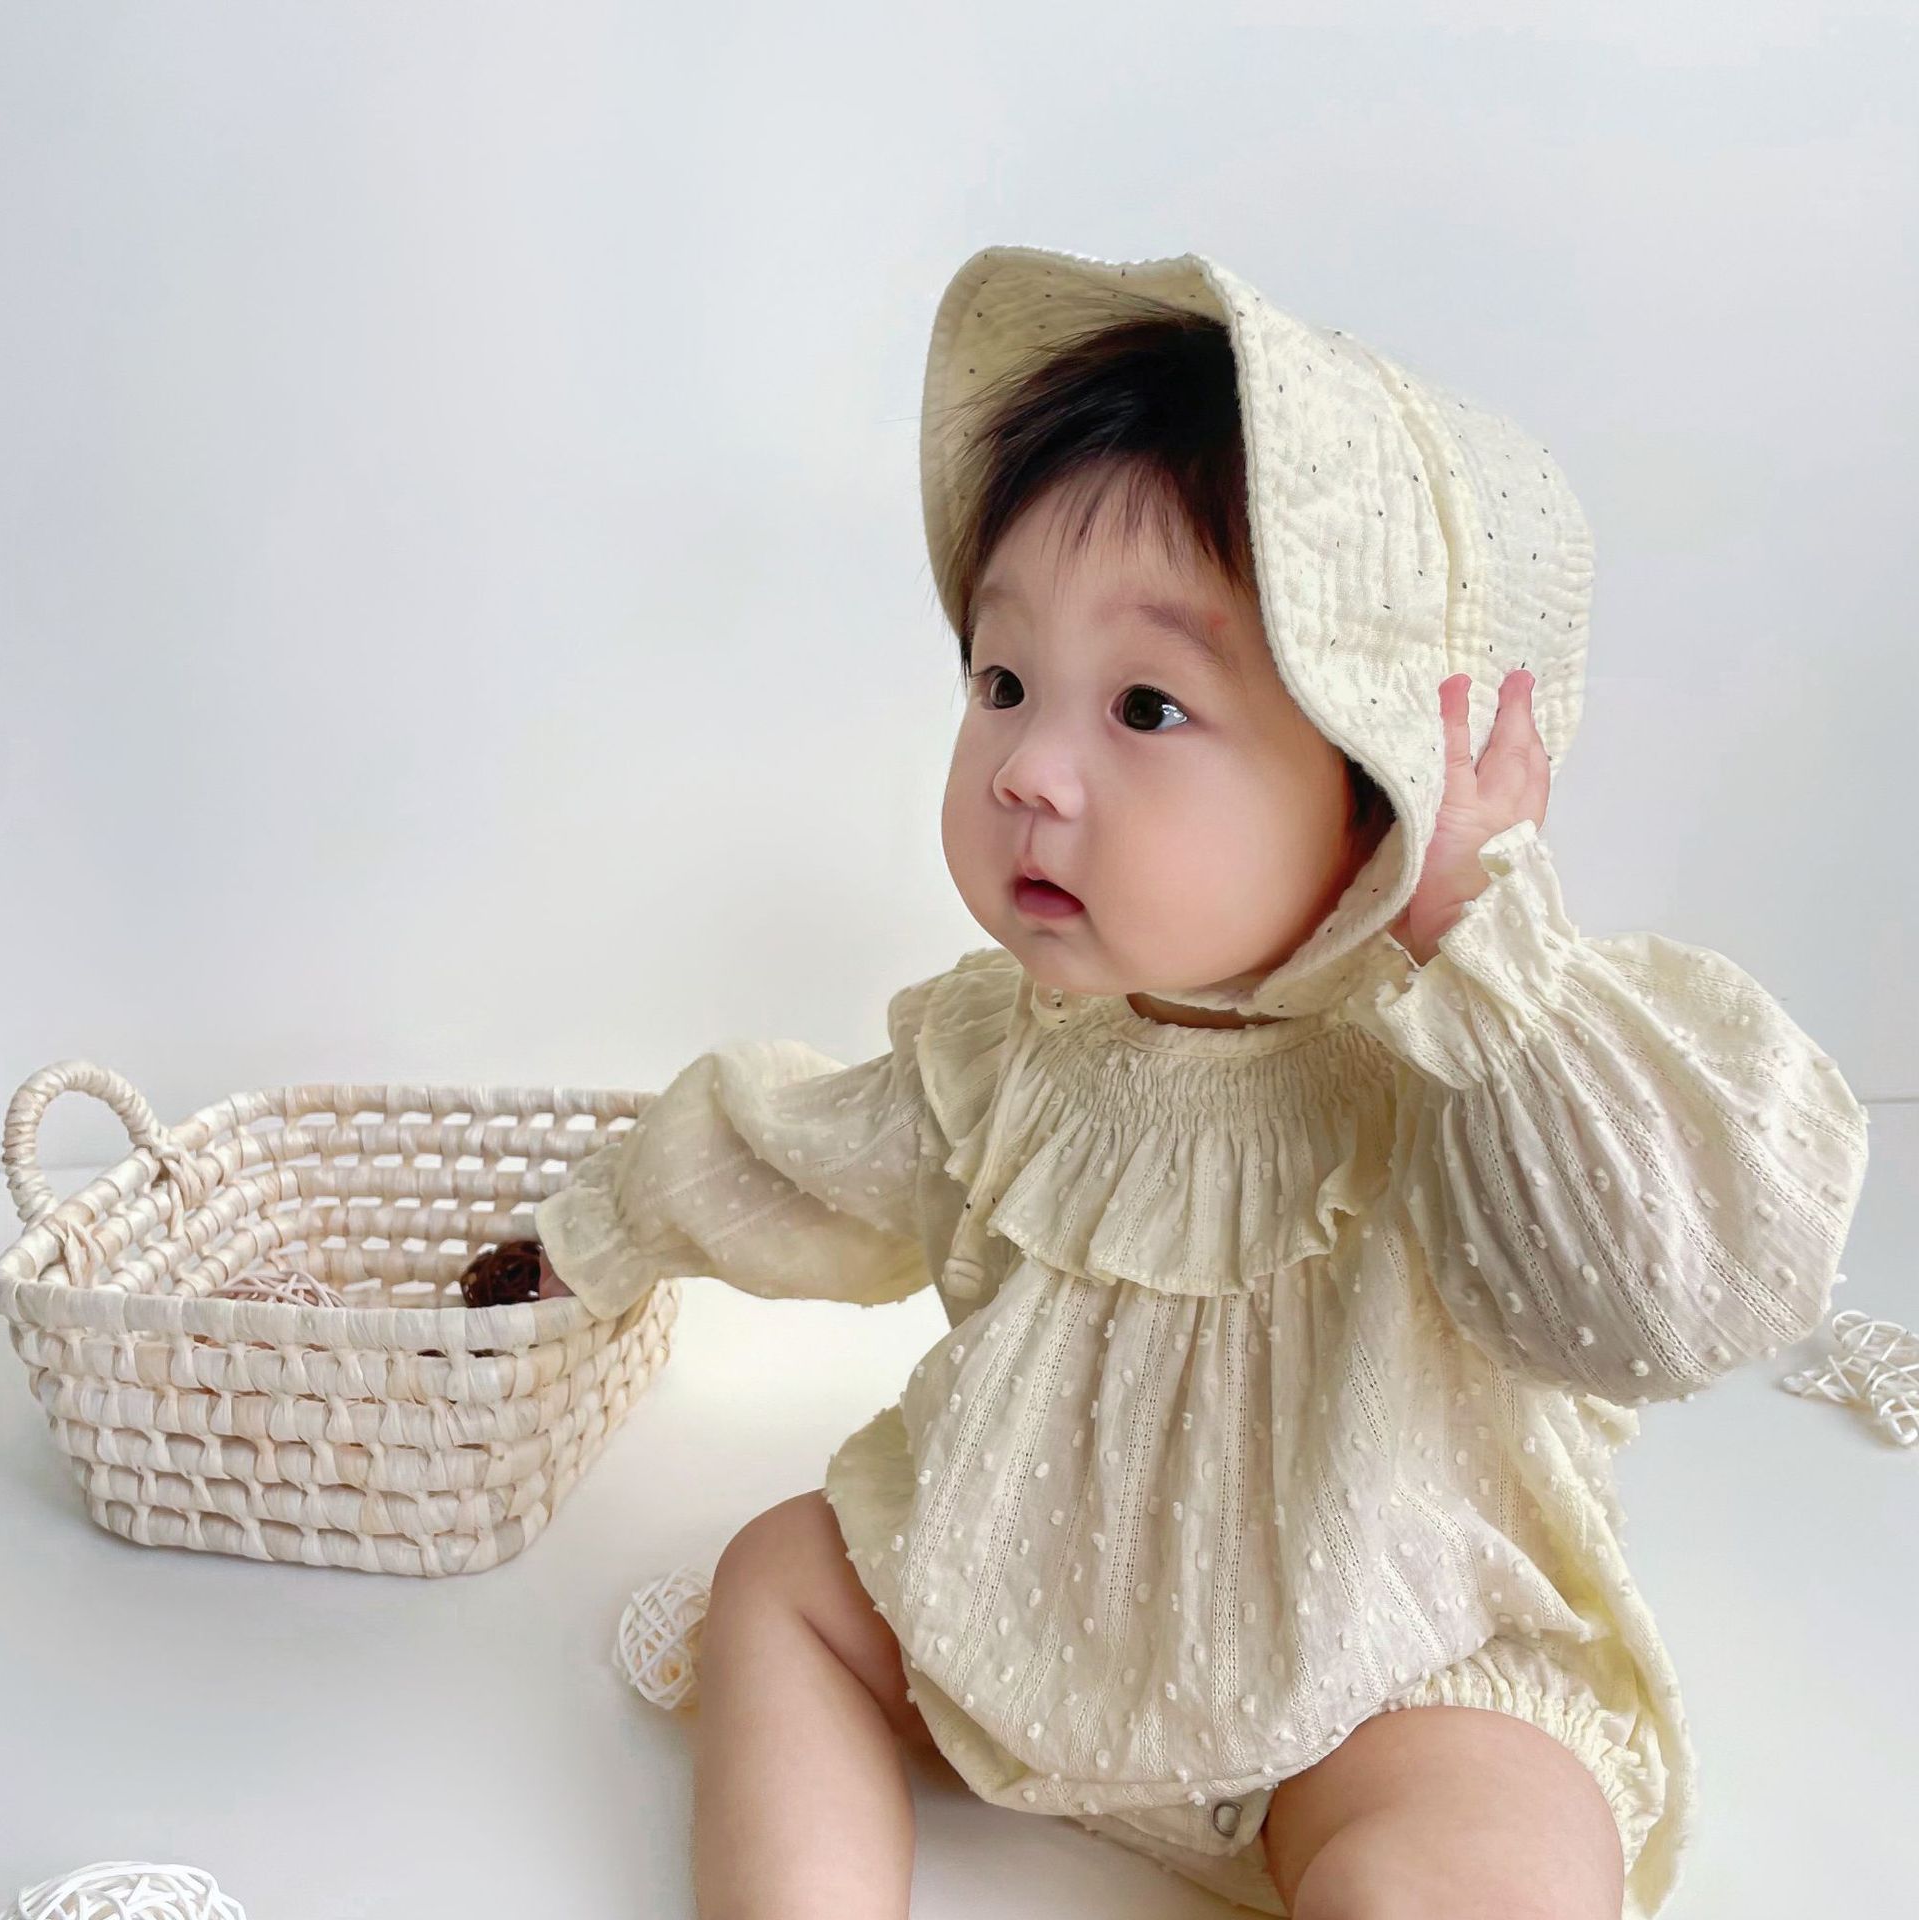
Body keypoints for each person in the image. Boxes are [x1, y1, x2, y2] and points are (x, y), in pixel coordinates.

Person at [530, 244, 1871, 1920]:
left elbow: (1653, 1304)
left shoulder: (1458, 1065)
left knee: (1480, 1853)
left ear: (1380, 785)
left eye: (1147, 704)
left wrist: (1483, 954)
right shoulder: (1002, 1053)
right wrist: (592, 1233)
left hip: (1391, 1673)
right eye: (1002, 682)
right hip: (1028, 1612)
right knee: (779, 1583)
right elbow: (788, 1156)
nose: (1028, 770)